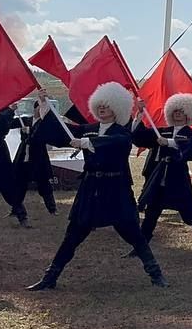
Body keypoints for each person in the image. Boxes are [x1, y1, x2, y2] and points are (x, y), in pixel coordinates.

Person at [26, 83, 167, 290]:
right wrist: (45, 106)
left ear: (117, 108)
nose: (102, 108)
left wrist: (86, 143)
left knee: (133, 234)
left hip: (115, 190)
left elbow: (116, 142)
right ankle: (50, 278)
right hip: (90, 189)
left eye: (107, 105)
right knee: (73, 235)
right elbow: (64, 133)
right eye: (99, 104)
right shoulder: (88, 129)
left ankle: (156, 274)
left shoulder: (122, 132)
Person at [131, 94, 192, 260]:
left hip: (178, 180)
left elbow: (191, 152)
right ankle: (140, 248)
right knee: (151, 213)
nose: (177, 114)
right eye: (175, 111)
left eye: (181, 111)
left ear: (188, 114)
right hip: (159, 179)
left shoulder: (190, 133)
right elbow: (140, 138)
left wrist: (169, 143)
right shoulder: (162, 131)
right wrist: (140, 115)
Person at [13, 99, 58, 216]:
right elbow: (11, 123)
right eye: (40, 107)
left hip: (39, 157)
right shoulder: (26, 120)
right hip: (24, 156)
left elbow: (42, 135)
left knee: (44, 184)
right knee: (19, 184)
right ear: (35, 108)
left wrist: (30, 130)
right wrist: (11, 110)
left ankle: (52, 209)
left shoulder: (44, 123)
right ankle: (16, 209)